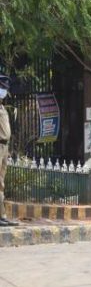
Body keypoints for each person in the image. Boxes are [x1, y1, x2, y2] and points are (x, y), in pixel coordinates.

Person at [0, 75, 18, 227]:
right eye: (2, 88)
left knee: (1, 182)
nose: (4, 91)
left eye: (5, 89)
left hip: (4, 147)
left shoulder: (2, 107)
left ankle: (2, 215)